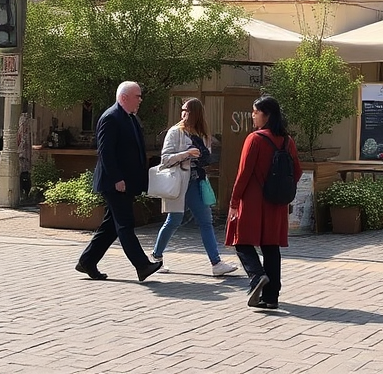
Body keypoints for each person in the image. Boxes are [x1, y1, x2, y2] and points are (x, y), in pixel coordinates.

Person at [76, 81, 163, 282]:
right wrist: (117, 179)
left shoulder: (130, 118)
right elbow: (106, 153)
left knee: (111, 226)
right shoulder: (111, 118)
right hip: (114, 183)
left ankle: (87, 261)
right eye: (137, 96)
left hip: (126, 182)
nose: (140, 100)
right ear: (124, 97)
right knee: (125, 224)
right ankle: (142, 265)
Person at [226, 95, 302, 310]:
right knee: (271, 247)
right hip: (277, 202)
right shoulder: (287, 140)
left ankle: (256, 275)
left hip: (253, 200)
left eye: (255, 112)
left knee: (241, 241)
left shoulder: (255, 139)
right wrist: (280, 188)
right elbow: (297, 171)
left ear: (266, 115)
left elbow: (243, 174)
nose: (252, 116)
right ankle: (271, 298)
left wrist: (234, 202)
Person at [150, 98, 238, 277]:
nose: (183, 114)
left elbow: (208, 158)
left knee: (206, 221)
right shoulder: (175, 132)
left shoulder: (203, 134)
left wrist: (203, 156)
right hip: (178, 182)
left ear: (196, 113)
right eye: (182, 110)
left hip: (196, 182)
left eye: (187, 110)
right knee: (173, 221)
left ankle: (216, 263)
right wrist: (186, 154)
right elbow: (165, 159)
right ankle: (156, 257)